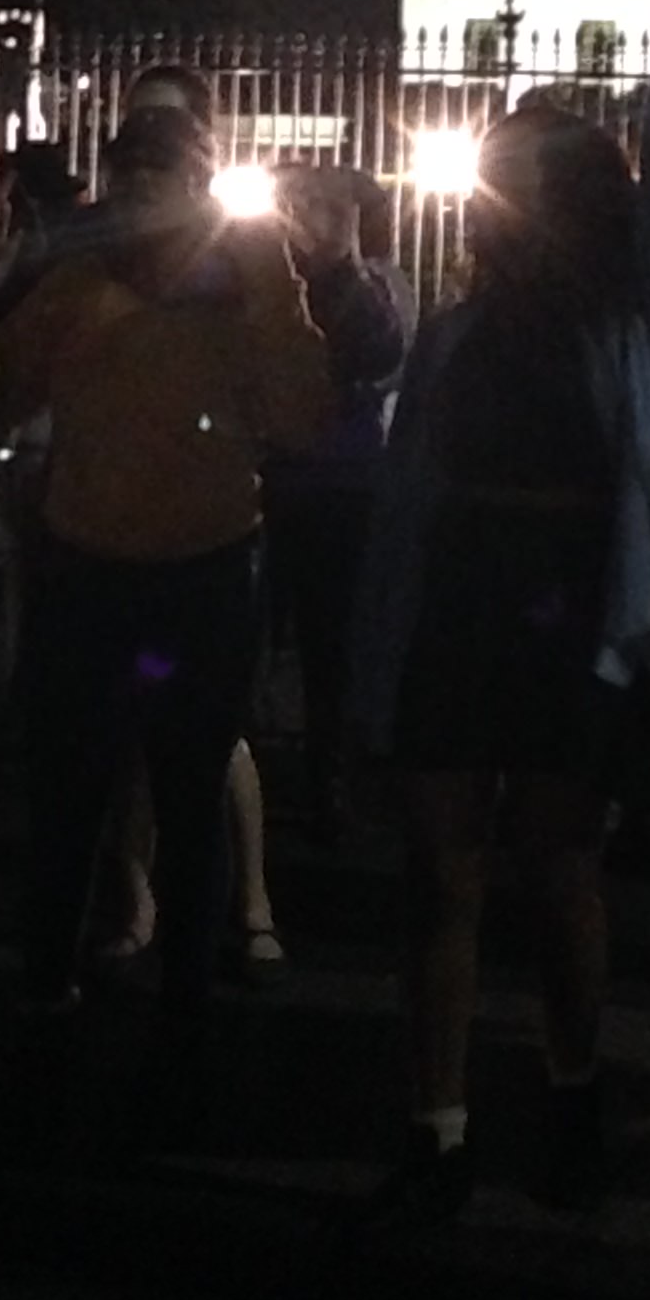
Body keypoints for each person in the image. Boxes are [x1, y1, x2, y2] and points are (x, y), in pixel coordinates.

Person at [345, 0, 650, 1227]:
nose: (498, 193)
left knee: (559, 866)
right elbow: (406, 506)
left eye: (521, 171)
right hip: (462, 602)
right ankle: (435, 1126)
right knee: (440, 869)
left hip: (571, 605)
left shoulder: (635, 310)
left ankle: (571, 1088)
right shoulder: (456, 328)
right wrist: (377, 664)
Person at [0, 91, 329, 1137]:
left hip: (195, 574)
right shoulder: (80, 281)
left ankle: (174, 1010)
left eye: (166, 176)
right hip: (101, 572)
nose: (148, 198)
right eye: (132, 175)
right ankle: (61, 990)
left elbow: (304, 415)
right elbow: (3, 385)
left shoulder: (245, 285)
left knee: (178, 803)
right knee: (76, 796)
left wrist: (270, 279)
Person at [262, 161, 413, 841]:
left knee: (332, 645)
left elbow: (378, 353)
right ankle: (245, 763)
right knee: (252, 638)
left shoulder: (378, 285)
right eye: (301, 203)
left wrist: (340, 264)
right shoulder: (261, 276)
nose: (311, 217)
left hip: (341, 486)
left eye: (329, 205)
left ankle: (330, 775)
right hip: (268, 482)